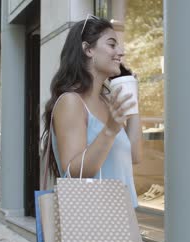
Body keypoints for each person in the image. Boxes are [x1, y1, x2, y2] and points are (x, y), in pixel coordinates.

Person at [42, 15, 142, 208]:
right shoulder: (71, 102)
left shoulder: (106, 102)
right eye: (112, 45)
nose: (121, 52)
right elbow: (73, 172)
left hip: (122, 215)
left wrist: (133, 103)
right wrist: (110, 130)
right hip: (92, 220)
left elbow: (134, 157)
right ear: (88, 49)